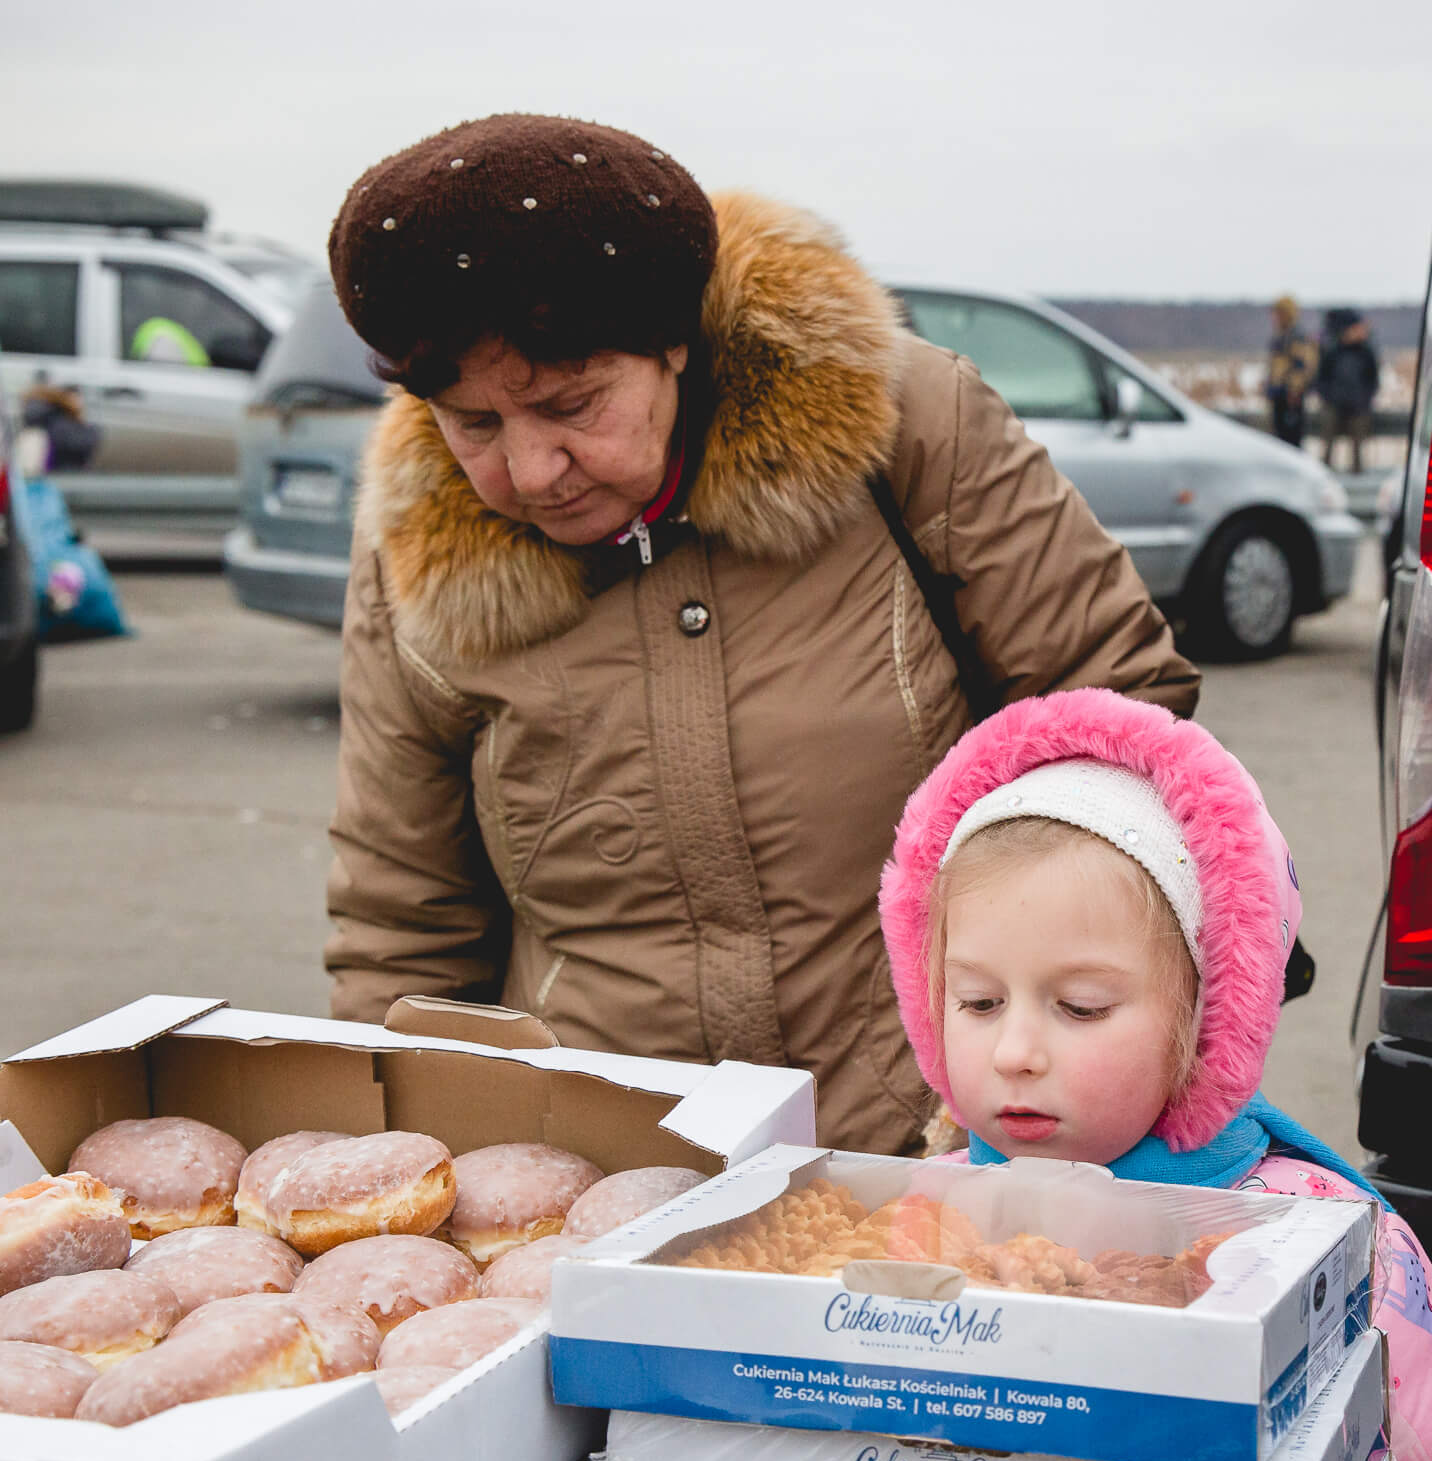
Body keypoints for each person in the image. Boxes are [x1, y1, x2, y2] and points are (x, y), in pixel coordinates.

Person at [324, 114, 1200, 1156]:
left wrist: (1030, 1082)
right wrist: (408, 1165)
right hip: (603, 1172)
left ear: (673, 341)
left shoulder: (909, 424)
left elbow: (1118, 736)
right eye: (474, 425)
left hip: (932, 1150)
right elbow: (403, 918)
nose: (530, 469)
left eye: (573, 405)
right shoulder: (418, 555)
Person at [879, 685, 1432, 1461]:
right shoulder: (913, 1221)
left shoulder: (1335, 1256)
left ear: (1206, 1019)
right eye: (977, 1001)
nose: (1015, 1051)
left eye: (1080, 1007)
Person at [1317, 308, 1380, 473]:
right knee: (1327, 442)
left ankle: (1357, 475)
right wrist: (1329, 397)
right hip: (1334, 404)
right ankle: (1324, 474)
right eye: (1357, 328)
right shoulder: (1332, 351)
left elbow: (1373, 381)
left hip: (1358, 406)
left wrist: (1364, 399)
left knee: (1358, 446)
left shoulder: (1366, 353)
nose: (1361, 332)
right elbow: (1321, 379)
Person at [1265, 295, 1316, 447]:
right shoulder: (1281, 336)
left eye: (1277, 313)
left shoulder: (1296, 337)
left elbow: (1302, 366)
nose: (1274, 317)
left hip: (1290, 398)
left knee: (1291, 442)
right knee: (1280, 440)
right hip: (1279, 394)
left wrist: (1294, 390)